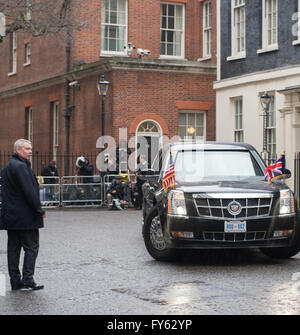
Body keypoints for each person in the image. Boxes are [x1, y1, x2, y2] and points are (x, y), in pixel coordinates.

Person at [0, 139, 45, 291]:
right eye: (27, 149)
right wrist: (39, 209)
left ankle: (15, 281)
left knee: (13, 249)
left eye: (30, 148)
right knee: (31, 247)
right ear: (18, 150)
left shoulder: (8, 167)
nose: (30, 151)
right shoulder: (21, 167)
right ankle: (27, 279)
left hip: (11, 216)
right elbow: (29, 192)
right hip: (25, 216)